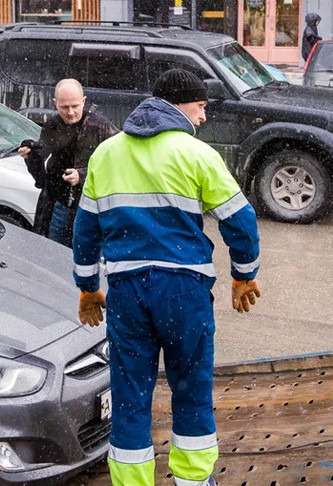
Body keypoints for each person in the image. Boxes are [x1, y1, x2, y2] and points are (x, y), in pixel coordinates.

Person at [73, 69, 261, 486]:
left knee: (130, 393)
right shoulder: (195, 154)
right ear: (179, 104)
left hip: (126, 292)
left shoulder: (106, 153)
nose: (205, 116)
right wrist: (243, 274)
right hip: (184, 290)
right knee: (191, 387)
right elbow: (240, 219)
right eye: (201, 106)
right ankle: (193, 482)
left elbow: (85, 230)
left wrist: (88, 288)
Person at [18, 78, 118, 247]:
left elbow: (118, 164)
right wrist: (31, 155)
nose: (70, 112)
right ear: (55, 104)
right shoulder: (52, 125)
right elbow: (40, 173)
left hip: (89, 209)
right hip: (58, 206)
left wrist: (82, 175)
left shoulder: (100, 125)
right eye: (64, 107)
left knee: (85, 260)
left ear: (83, 101)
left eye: (75, 106)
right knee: (53, 256)